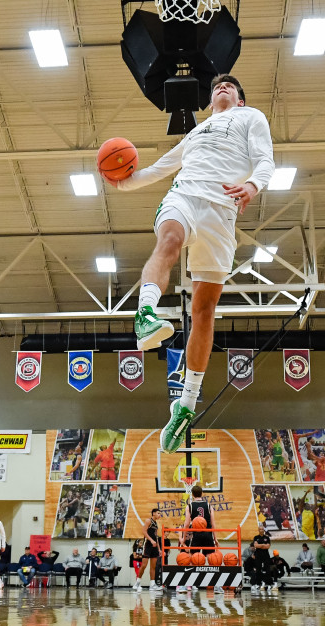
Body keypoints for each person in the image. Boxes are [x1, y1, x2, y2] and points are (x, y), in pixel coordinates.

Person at [113, 74, 276, 453]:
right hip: (184, 195)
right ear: (210, 98)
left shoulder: (251, 117)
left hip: (222, 213)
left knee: (204, 311)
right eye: (218, 85)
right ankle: (145, 314)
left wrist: (253, 186)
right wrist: (122, 182)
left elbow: (265, 159)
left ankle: (186, 403)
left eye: (231, 85)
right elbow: (158, 169)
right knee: (168, 240)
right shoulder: (196, 132)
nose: (222, 87)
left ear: (239, 98)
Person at [140, 507, 163, 592]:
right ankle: (138, 582)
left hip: (154, 547)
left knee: (153, 566)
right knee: (144, 565)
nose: (159, 515)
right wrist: (151, 540)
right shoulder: (148, 521)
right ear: (153, 513)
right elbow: (144, 532)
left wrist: (159, 549)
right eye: (158, 513)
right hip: (147, 545)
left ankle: (152, 585)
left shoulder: (156, 524)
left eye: (160, 513)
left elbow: (156, 538)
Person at [247, 529, 274, 593]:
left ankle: (269, 584)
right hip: (258, 555)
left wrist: (260, 545)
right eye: (260, 529)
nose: (261, 530)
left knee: (267, 569)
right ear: (258, 530)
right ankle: (258, 584)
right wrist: (263, 545)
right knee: (258, 569)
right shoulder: (256, 537)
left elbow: (267, 546)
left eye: (262, 529)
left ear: (264, 530)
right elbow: (256, 545)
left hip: (266, 555)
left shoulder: (267, 537)